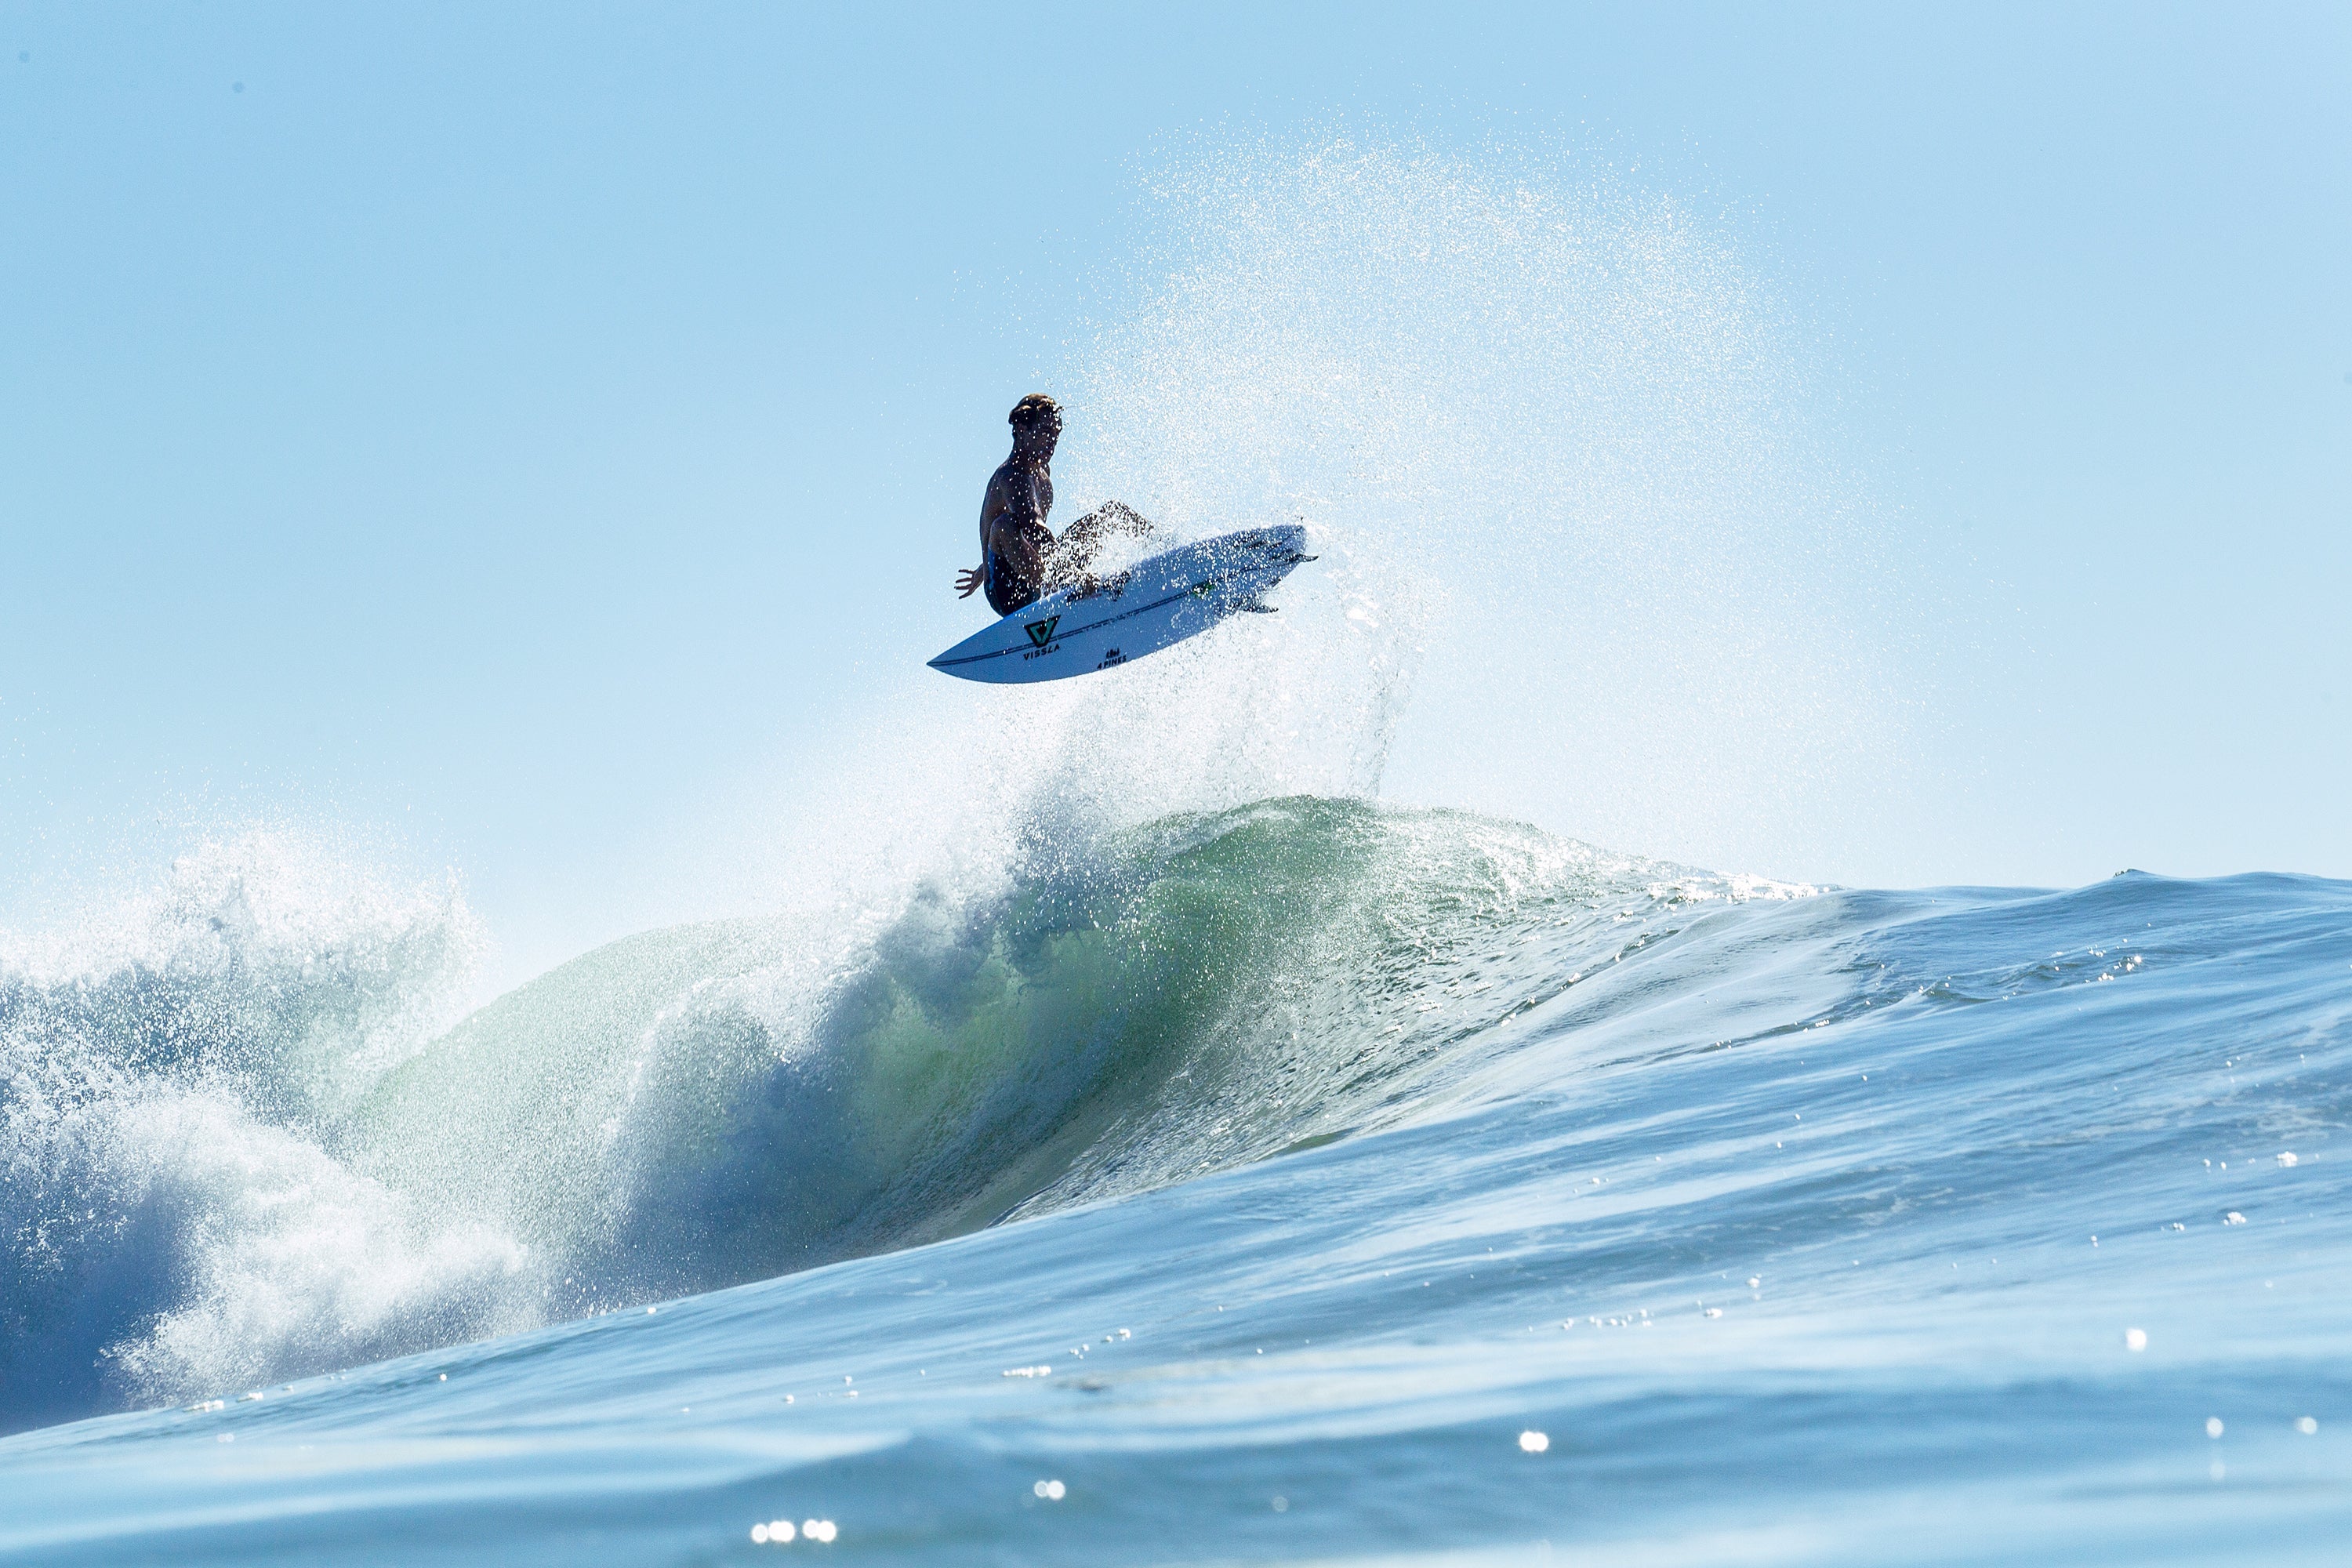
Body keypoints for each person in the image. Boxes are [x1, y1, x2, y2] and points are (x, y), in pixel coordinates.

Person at [955, 394, 1151, 617]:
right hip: (1005, 592)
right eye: (1046, 432)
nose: (1053, 441)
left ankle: (1163, 547)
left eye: (1056, 434)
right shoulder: (1011, 476)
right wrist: (1073, 574)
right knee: (1004, 525)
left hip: (1040, 573)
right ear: (1021, 429)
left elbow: (1029, 543)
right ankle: (1069, 587)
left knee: (1111, 514)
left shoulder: (1042, 475)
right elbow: (1032, 530)